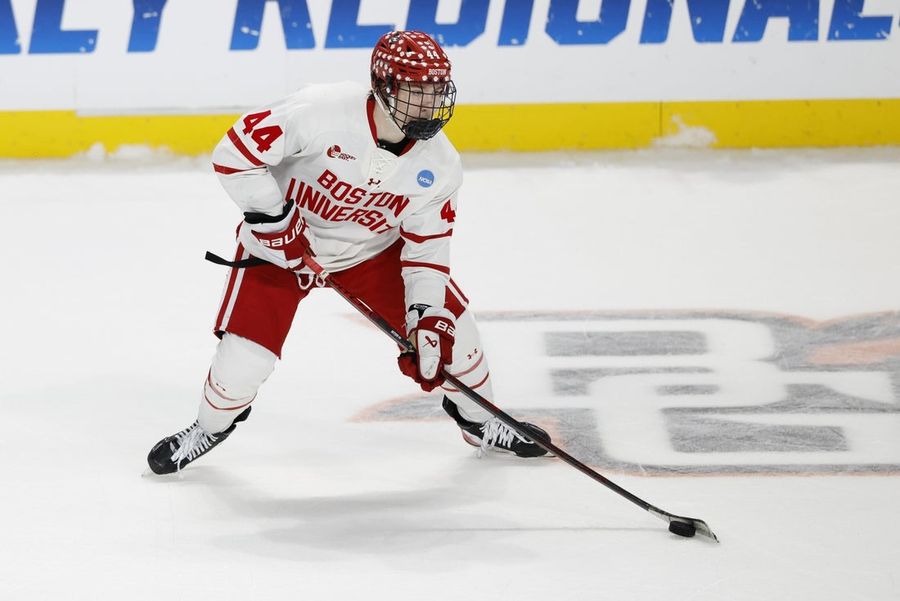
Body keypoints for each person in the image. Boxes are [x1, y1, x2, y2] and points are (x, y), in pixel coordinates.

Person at [147, 30, 550, 475]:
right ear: (383, 87)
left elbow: (428, 248)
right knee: (242, 365)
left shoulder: (440, 165)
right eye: (418, 91)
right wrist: (274, 220)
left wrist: (427, 317)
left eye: (437, 90)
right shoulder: (319, 110)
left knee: (457, 337)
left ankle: (482, 421)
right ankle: (208, 428)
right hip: (279, 252)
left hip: (371, 253)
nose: (431, 103)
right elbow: (235, 154)